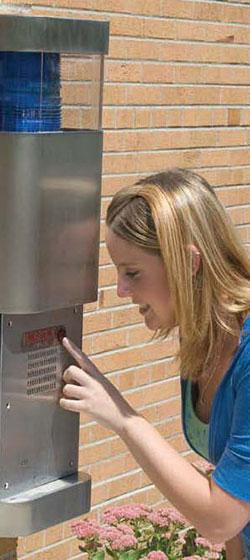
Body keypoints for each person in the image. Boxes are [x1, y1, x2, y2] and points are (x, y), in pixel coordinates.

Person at [59, 168, 250, 560]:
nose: (120, 290)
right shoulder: (202, 338)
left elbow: (221, 518)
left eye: (132, 272)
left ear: (188, 262)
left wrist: (124, 418)